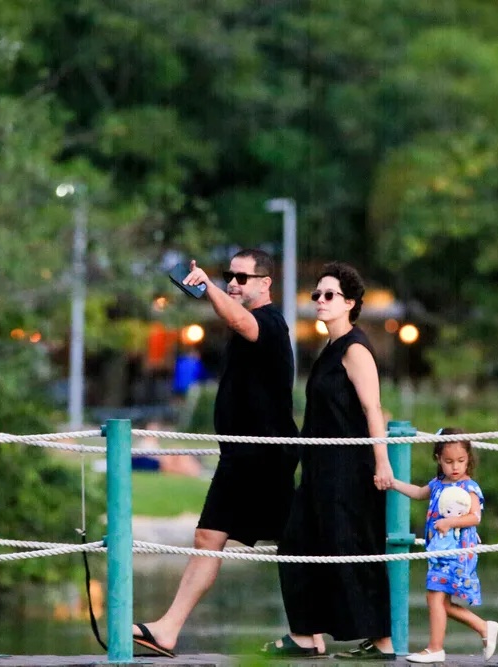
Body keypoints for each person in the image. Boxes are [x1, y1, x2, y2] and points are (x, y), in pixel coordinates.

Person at [131, 249, 302, 658]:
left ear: (265, 283)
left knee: (293, 542)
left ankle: (346, 629)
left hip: (262, 456)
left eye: (244, 277)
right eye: (231, 276)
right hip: (244, 456)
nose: (235, 282)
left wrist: (208, 286)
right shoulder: (246, 327)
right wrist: (212, 287)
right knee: (283, 540)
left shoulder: (270, 323)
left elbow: (238, 318)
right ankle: (169, 630)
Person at [263, 261, 396, 660]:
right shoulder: (330, 349)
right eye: (316, 295)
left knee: (352, 546)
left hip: (347, 468)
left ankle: (382, 641)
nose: (319, 301)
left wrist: (382, 462)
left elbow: (373, 409)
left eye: (329, 295)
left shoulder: (355, 348)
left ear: (350, 303)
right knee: (297, 542)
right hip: (320, 467)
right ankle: (306, 634)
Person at [388, 428, 498, 663]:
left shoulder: (469, 487)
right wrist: (393, 483)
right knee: (441, 601)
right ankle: (484, 627)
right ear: (438, 459)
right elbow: (419, 493)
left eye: (460, 460)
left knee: (434, 597)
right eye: (449, 461)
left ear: (469, 458)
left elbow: (475, 517)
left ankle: (435, 647)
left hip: (456, 552)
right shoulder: (438, 483)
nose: (455, 467)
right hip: (440, 551)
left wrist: (451, 522)